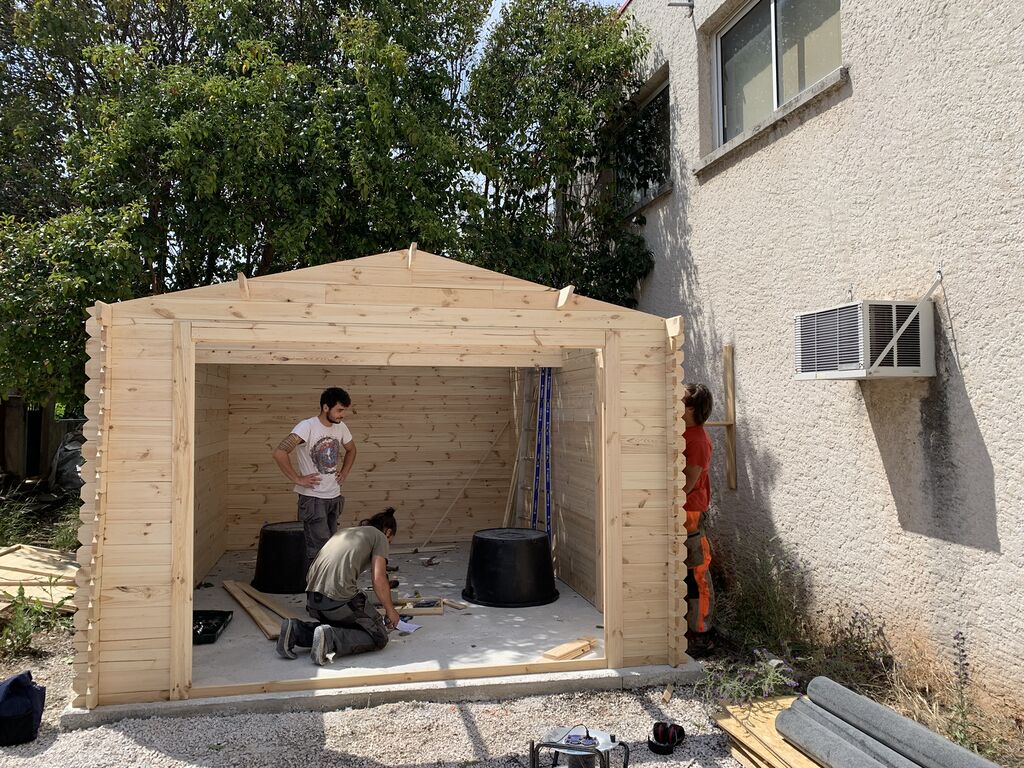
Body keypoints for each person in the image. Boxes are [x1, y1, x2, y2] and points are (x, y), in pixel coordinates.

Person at [276, 509, 402, 665]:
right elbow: (378, 578)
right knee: (378, 636)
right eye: (390, 541)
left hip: (314, 601)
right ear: (388, 532)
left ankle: (296, 630)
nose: (387, 545)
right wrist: (391, 610)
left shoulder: (345, 533)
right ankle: (331, 639)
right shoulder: (380, 537)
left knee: (342, 625)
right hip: (337, 602)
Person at [272, 387, 357, 570]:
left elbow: (351, 450)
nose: (342, 415)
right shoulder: (307, 426)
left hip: (334, 496)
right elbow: (280, 452)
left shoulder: (341, 427)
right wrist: (298, 479)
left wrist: (345, 472)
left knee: (333, 546)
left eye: (344, 410)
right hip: (313, 499)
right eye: (339, 410)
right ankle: (317, 593)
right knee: (320, 549)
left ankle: (330, 589)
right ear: (326, 407)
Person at [681, 382, 716, 657]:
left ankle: (701, 634)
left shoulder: (698, 440)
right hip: (680, 510)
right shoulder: (684, 433)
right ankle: (688, 628)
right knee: (684, 572)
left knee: (696, 571)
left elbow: (690, 483)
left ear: (690, 409)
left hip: (689, 511)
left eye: (680, 402)